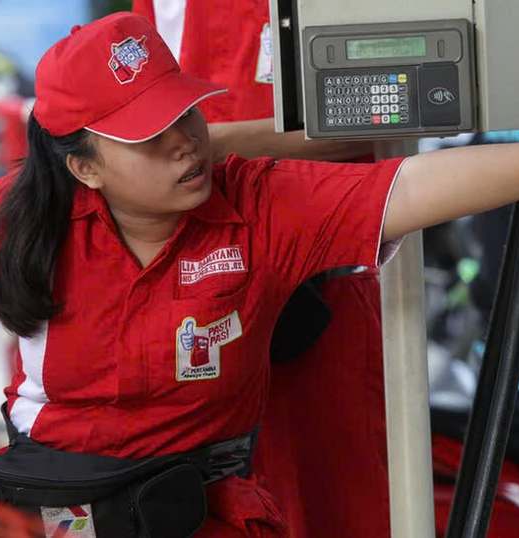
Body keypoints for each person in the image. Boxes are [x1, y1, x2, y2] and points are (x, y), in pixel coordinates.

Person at [0, 12, 519, 538]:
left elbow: (411, 188)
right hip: (46, 503)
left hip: (196, 512)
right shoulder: (19, 216)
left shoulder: (256, 203)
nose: (186, 148)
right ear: (83, 168)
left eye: (187, 118)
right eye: (149, 140)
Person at [128, 3, 389, 536]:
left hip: (315, 293)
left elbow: (384, 116)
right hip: (184, 305)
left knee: (334, 509)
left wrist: (205, 146)